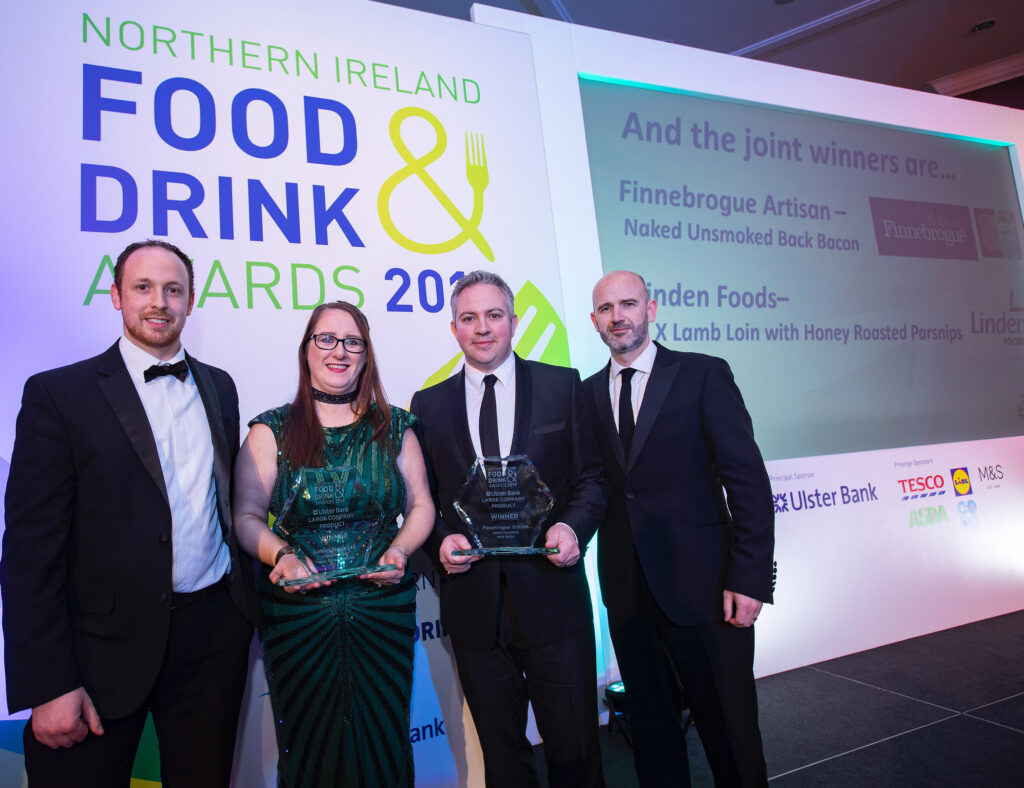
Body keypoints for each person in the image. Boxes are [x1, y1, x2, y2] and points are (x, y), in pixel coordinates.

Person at [1, 240, 258, 787]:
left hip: (211, 640)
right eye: (143, 287)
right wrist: (47, 683)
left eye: (173, 289)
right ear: (116, 295)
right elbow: (29, 551)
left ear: (191, 300)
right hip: (97, 652)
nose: (159, 302)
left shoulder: (220, 386)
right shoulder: (59, 394)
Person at [410, 270, 606, 788]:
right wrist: (437, 543)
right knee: (503, 758)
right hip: (476, 610)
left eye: (493, 315)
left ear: (513, 322)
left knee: (577, 749)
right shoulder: (427, 405)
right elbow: (422, 501)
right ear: (453, 328)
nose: (482, 328)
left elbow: (591, 479)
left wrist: (571, 527)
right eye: (469, 318)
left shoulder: (562, 385)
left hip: (553, 599)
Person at [584, 270, 776, 788]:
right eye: (606, 308)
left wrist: (752, 577)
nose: (617, 316)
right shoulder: (585, 396)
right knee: (653, 734)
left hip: (707, 588)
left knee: (729, 732)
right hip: (627, 593)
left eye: (628, 304)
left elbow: (748, 482)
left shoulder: (703, 375)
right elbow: (595, 488)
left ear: (651, 308)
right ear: (594, 320)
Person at [233, 300, 434, 788]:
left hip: (382, 610)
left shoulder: (395, 426)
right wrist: (280, 554)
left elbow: (423, 506)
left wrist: (400, 550)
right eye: (326, 339)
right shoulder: (271, 430)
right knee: (310, 741)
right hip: (298, 617)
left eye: (352, 342)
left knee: (383, 736)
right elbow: (246, 516)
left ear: (366, 355)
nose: (338, 351)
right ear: (306, 350)